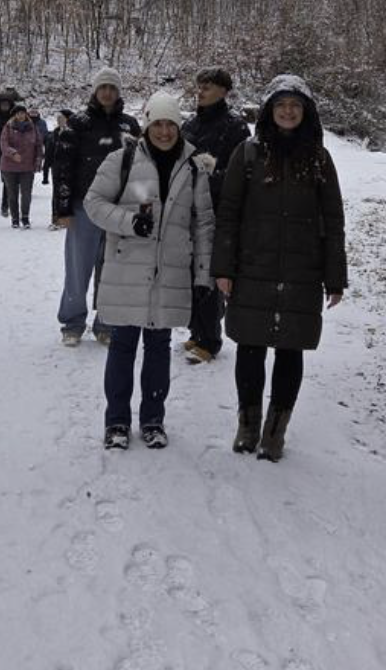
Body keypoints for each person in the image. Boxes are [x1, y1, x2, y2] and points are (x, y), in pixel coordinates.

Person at [212, 75, 347, 462]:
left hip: (302, 271)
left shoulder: (319, 159)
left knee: (291, 349)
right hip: (253, 266)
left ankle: (275, 431)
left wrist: (335, 277)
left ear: (306, 112)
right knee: (250, 346)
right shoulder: (247, 154)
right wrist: (224, 268)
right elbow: (229, 214)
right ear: (270, 111)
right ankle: (248, 425)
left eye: (295, 105)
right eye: (281, 105)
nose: (288, 112)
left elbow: (333, 221)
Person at [84, 91, 214, 450]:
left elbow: (204, 223)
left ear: (179, 127)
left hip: (170, 272)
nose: (164, 131)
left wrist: (203, 274)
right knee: (123, 346)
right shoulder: (122, 159)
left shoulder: (194, 168)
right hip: (127, 270)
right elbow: (93, 203)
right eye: (157, 123)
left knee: (158, 349)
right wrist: (128, 222)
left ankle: (153, 420)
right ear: (146, 125)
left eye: (171, 124)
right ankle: (117, 422)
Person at [52, 69, 141, 346]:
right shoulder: (78, 124)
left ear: (118, 92)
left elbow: (140, 168)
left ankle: (107, 321)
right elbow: (62, 167)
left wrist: (141, 206)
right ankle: (72, 322)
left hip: (119, 207)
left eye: (112, 88)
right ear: (95, 90)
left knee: (113, 268)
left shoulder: (129, 125)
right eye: (103, 87)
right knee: (78, 267)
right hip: (84, 206)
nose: (107, 93)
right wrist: (62, 209)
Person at [181, 66, 250, 363]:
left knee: (209, 275)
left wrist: (208, 177)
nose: (201, 91)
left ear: (223, 91)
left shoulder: (236, 127)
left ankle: (210, 340)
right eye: (199, 86)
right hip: (187, 210)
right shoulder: (190, 124)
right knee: (189, 273)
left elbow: (241, 173)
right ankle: (196, 331)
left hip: (218, 211)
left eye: (207, 87)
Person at [0, 100, 43, 227]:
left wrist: (38, 160)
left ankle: (25, 217)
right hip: (10, 166)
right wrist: (12, 153)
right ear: (14, 115)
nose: (20, 116)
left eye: (23, 113)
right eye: (18, 114)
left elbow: (39, 145)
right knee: (12, 194)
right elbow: (3, 144)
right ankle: (15, 218)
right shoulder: (8, 127)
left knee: (26, 194)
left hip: (27, 166)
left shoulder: (32, 128)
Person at [42, 109, 73, 227]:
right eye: (58, 118)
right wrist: (45, 172)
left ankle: (67, 218)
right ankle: (56, 218)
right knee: (56, 194)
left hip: (71, 169)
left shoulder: (75, 134)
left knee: (68, 194)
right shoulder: (53, 134)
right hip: (56, 168)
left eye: (62, 118)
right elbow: (48, 154)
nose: (60, 120)